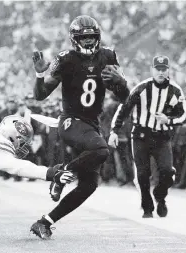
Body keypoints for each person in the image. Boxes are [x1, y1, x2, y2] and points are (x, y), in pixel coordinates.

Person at [30, 15, 130, 240]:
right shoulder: (65, 59)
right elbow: (40, 95)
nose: (87, 42)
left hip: (91, 125)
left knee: (89, 185)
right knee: (102, 150)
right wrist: (39, 74)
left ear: (98, 37)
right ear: (75, 39)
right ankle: (61, 174)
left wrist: (121, 82)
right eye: (83, 38)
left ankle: (45, 222)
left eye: (91, 37)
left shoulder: (108, 56)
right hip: (70, 121)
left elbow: (124, 97)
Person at [108, 55, 186, 218]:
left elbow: (183, 115)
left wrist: (168, 120)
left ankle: (160, 196)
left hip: (162, 136)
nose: (161, 72)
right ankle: (147, 207)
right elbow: (123, 109)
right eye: (158, 69)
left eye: (164, 69)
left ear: (168, 71)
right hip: (140, 136)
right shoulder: (141, 88)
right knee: (143, 174)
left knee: (166, 171)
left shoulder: (175, 90)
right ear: (152, 70)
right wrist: (114, 131)